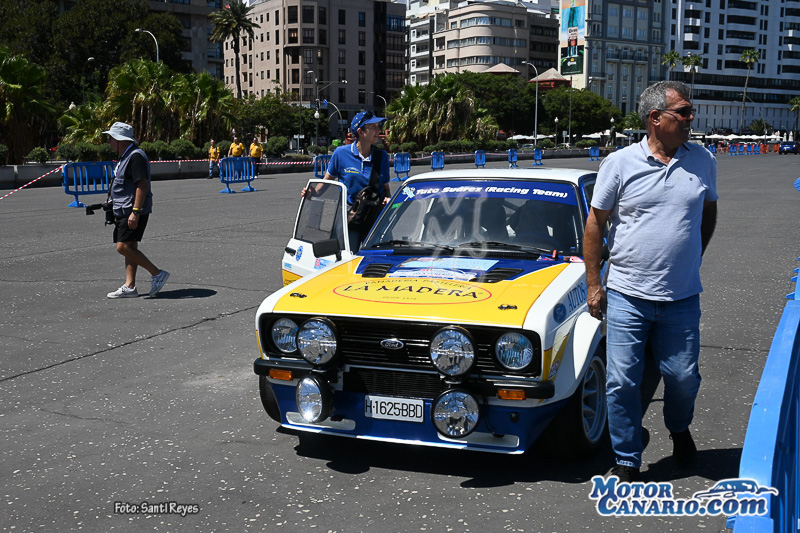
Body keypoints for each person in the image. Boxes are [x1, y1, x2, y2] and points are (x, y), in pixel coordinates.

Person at [583, 81, 718, 482]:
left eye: (691, 112)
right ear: (655, 118)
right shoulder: (619, 163)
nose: (691, 119)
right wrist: (594, 283)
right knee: (621, 380)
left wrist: (692, 255)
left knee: (683, 378)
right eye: (684, 112)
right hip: (627, 294)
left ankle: (678, 428)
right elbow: (595, 224)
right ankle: (627, 457)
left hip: (682, 295)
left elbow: (708, 212)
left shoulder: (703, 160)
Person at [302, 111, 391, 251]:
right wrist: (313, 192)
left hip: (374, 216)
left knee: (376, 257)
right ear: (360, 131)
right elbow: (327, 180)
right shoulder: (341, 153)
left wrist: (387, 198)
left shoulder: (382, 157)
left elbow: (385, 188)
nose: (378, 130)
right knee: (347, 256)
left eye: (378, 126)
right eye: (373, 127)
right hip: (350, 216)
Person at [102, 122, 170, 299]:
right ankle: (130, 286)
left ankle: (157, 273)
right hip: (125, 207)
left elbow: (142, 185)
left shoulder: (135, 156)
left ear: (120, 139)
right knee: (130, 246)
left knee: (123, 247)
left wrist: (136, 211)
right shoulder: (127, 156)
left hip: (131, 209)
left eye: (111, 138)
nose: (109, 142)